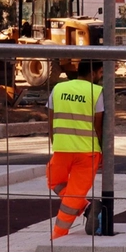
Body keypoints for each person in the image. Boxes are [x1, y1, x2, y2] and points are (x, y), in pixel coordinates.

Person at [45, 60, 105, 238]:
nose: (102, 76)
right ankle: (59, 233)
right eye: (101, 72)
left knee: (54, 181)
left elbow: (50, 119)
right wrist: (102, 153)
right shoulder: (96, 92)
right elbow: (98, 126)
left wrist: (54, 141)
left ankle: (86, 208)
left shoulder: (58, 89)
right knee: (74, 194)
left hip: (62, 148)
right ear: (93, 73)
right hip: (88, 152)